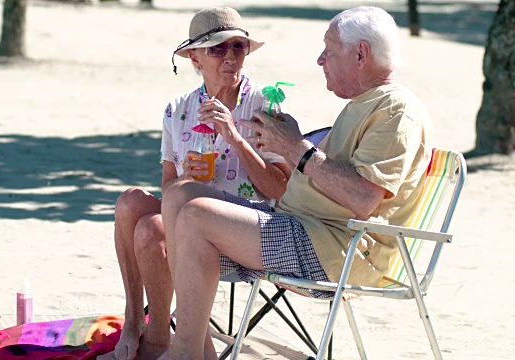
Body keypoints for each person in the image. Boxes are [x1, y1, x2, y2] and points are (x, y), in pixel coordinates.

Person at [158, 6, 434, 359]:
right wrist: (287, 148)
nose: (321, 60)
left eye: (329, 50)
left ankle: (185, 351)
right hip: (304, 228)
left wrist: (297, 149)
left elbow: (363, 198)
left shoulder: (396, 111)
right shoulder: (365, 104)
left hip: (335, 249)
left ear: (361, 54)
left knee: (196, 217)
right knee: (181, 194)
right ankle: (197, 348)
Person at [97, 7, 292, 360]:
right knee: (131, 205)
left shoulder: (265, 104)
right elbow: (169, 186)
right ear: (194, 58)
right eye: (218, 49)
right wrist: (188, 179)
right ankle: (134, 325)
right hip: (186, 219)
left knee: (151, 229)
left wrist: (235, 138)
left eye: (238, 47)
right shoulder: (179, 110)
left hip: (245, 225)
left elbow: (280, 189)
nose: (230, 57)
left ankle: (170, 341)